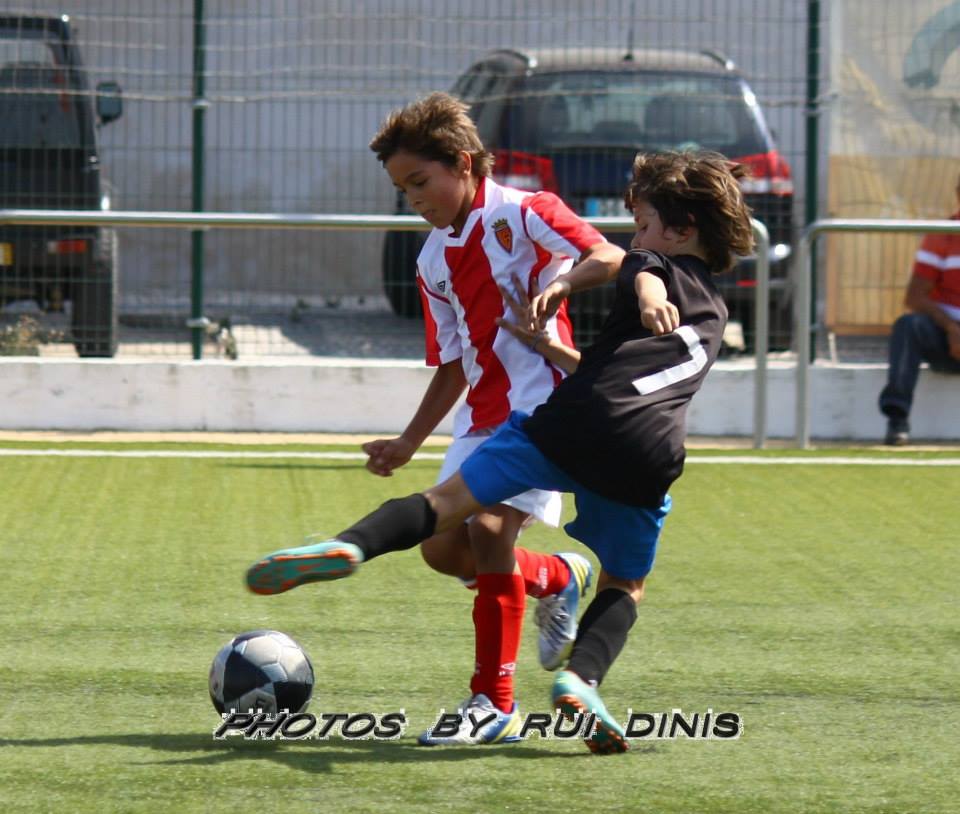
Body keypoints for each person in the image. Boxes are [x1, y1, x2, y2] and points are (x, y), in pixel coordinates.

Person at [247, 150, 754, 753]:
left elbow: (640, 270)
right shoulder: (716, 310)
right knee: (623, 583)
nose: (636, 237)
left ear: (680, 230)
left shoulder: (646, 260)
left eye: (643, 224)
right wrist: (553, 347)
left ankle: (353, 546)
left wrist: (579, 285)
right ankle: (581, 678)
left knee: (449, 503)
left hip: (567, 422)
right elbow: (624, 374)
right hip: (648, 450)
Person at [251, 92, 625, 736]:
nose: (414, 200)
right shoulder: (431, 260)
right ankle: (557, 576)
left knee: (489, 529)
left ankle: (494, 704)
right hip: (479, 422)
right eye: (403, 190)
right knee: (443, 551)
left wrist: (561, 284)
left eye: (420, 182)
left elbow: (610, 256)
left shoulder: (527, 211)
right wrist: (407, 442)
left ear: (463, 163)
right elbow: (453, 364)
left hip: (544, 411)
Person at [878, 177, 960, 445]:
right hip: (947, 338)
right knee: (909, 326)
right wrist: (952, 328)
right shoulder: (942, 235)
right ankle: (897, 420)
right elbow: (914, 296)